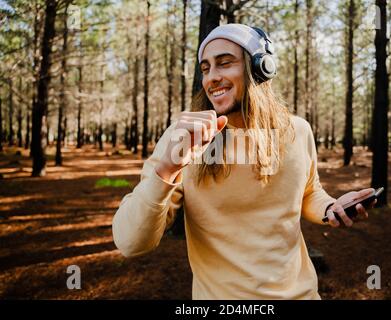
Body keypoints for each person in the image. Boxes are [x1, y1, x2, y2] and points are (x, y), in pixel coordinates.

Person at [112, 24, 376, 299]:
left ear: (260, 69)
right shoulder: (183, 138)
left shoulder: (297, 131)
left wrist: (332, 207)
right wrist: (167, 169)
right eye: (205, 68)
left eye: (224, 64)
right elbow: (131, 243)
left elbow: (309, 192)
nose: (212, 77)